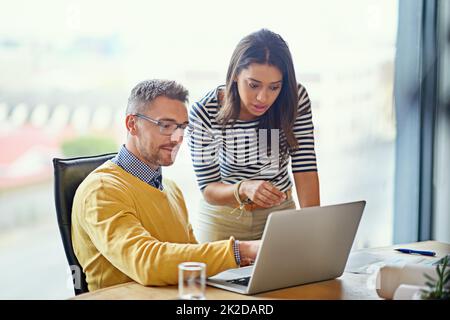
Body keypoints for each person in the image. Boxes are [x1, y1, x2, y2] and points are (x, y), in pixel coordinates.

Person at [71, 79, 259, 292]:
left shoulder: (171, 189)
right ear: (132, 124)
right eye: (166, 125)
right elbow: (146, 262)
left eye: (182, 127)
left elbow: (190, 259)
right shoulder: (101, 190)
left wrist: (247, 264)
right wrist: (241, 250)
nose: (177, 138)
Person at [188, 29, 320, 243]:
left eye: (274, 87)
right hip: (223, 218)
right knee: (216, 277)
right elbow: (209, 188)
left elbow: (305, 166)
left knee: (292, 276)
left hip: (279, 215)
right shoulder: (205, 112)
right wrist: (244, 188)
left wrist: (313, 225)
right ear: (235, 76)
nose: (263, 97)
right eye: (253, 85)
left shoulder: (295, 99)